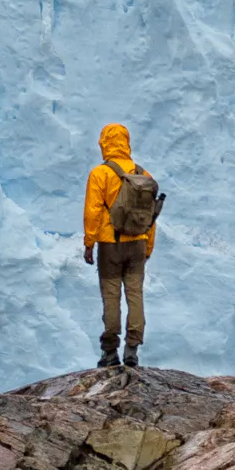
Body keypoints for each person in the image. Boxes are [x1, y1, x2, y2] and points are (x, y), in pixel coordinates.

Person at [81, 123, 163, 369]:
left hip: (110, 245)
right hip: (138, 244)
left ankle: (109, 352)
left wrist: (89, 244)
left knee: (111, 295)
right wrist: (148, 247)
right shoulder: (143, 174)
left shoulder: (101, 174)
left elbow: (93, 212)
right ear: (126, 142)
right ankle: (132, 350)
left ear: (105, 142)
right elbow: (150, 216)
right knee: (135, 295)